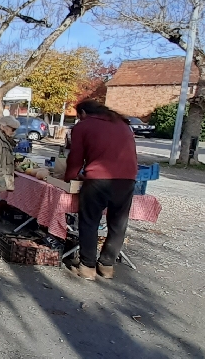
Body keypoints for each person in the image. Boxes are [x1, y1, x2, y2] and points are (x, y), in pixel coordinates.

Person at [65, 100, 138, 280]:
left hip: (99, 179)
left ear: (82, 113)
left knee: (89, 221)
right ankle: (107, 265)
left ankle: (87, 266)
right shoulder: (122, 124)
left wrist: (70, 176)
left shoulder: (83, 127)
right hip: (127, 179)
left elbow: (76, 157)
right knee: (118, 223)